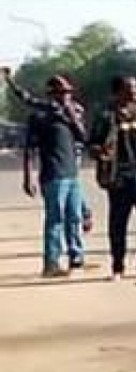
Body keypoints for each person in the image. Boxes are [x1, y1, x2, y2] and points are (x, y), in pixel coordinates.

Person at [7, 70, 88, 277]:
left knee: (75, 217)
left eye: (68, 92)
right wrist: (28, 177)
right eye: (61, 93)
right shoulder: (40, 116)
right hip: (53, 176)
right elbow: (30, 150)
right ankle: (51, 263)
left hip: (72, 174)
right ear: (51, 94)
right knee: (55, 220)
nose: (65, 96)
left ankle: (76, 257)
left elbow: (83, 137)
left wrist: (71, 116)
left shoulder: (74, 113)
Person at [90, 75, 136, 280]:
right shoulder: (105, 116)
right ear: (117, 92)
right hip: (119, 178)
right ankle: (118, 268)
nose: (135, 92)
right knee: (118, 225)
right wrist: (100, 150)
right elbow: (92, 145)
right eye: (130, 89)